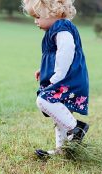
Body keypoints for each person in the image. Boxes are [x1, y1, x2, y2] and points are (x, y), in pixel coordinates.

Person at [22, 0, 89, 158]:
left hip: (68, 79)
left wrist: (57, 75)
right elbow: (54, 55)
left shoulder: (62, 28)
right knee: (60, 117)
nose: (35, 21)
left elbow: (66, 51)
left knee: (43, 100)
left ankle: (77, 128)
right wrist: (44, 70)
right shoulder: (55, 30)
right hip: (66, 77)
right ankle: (62, 150)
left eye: (38, 16)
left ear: (53, 13)